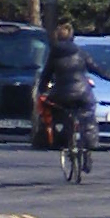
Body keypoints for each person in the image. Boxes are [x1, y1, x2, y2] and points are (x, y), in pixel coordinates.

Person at [38, 22, 96, 160]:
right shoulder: (80, 53)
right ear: (72, 37)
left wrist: (42, 90)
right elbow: (97, 68)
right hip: (82, 92)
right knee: (89, 111)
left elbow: (46, 75)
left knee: (60, 111)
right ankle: (89, 141)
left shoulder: (54, 54)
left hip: (61, 95)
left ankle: (64, 137)